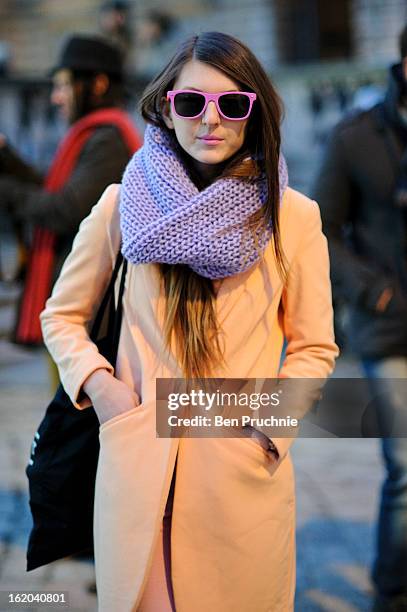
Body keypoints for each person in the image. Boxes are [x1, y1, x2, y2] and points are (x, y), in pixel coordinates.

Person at [40, 31, 338, 611]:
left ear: (253, 112)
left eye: (232, 104)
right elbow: (62, 316)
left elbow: (314, 347)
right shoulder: (119, 204)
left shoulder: (294, 218)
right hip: (137, 471)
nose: (211, 120)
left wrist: (266, 433)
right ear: (166, 106)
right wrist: (104, 392)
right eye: (191, 102)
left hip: (238, 480)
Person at [313, 24, 407, 612]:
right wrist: (370, 290)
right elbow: (321, 229)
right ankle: (394, 593)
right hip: (390, 325)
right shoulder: (356, 136)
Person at [0, 34, 142, 346]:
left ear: (98, 84)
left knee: (77, 393)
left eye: (63, 85)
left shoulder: (108, 140)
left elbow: (64, 209)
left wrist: (5, 189)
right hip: (81, 308)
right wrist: (5, 157)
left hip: (90, 316)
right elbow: (53, 189)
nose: (56, 97)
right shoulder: (94, 135)